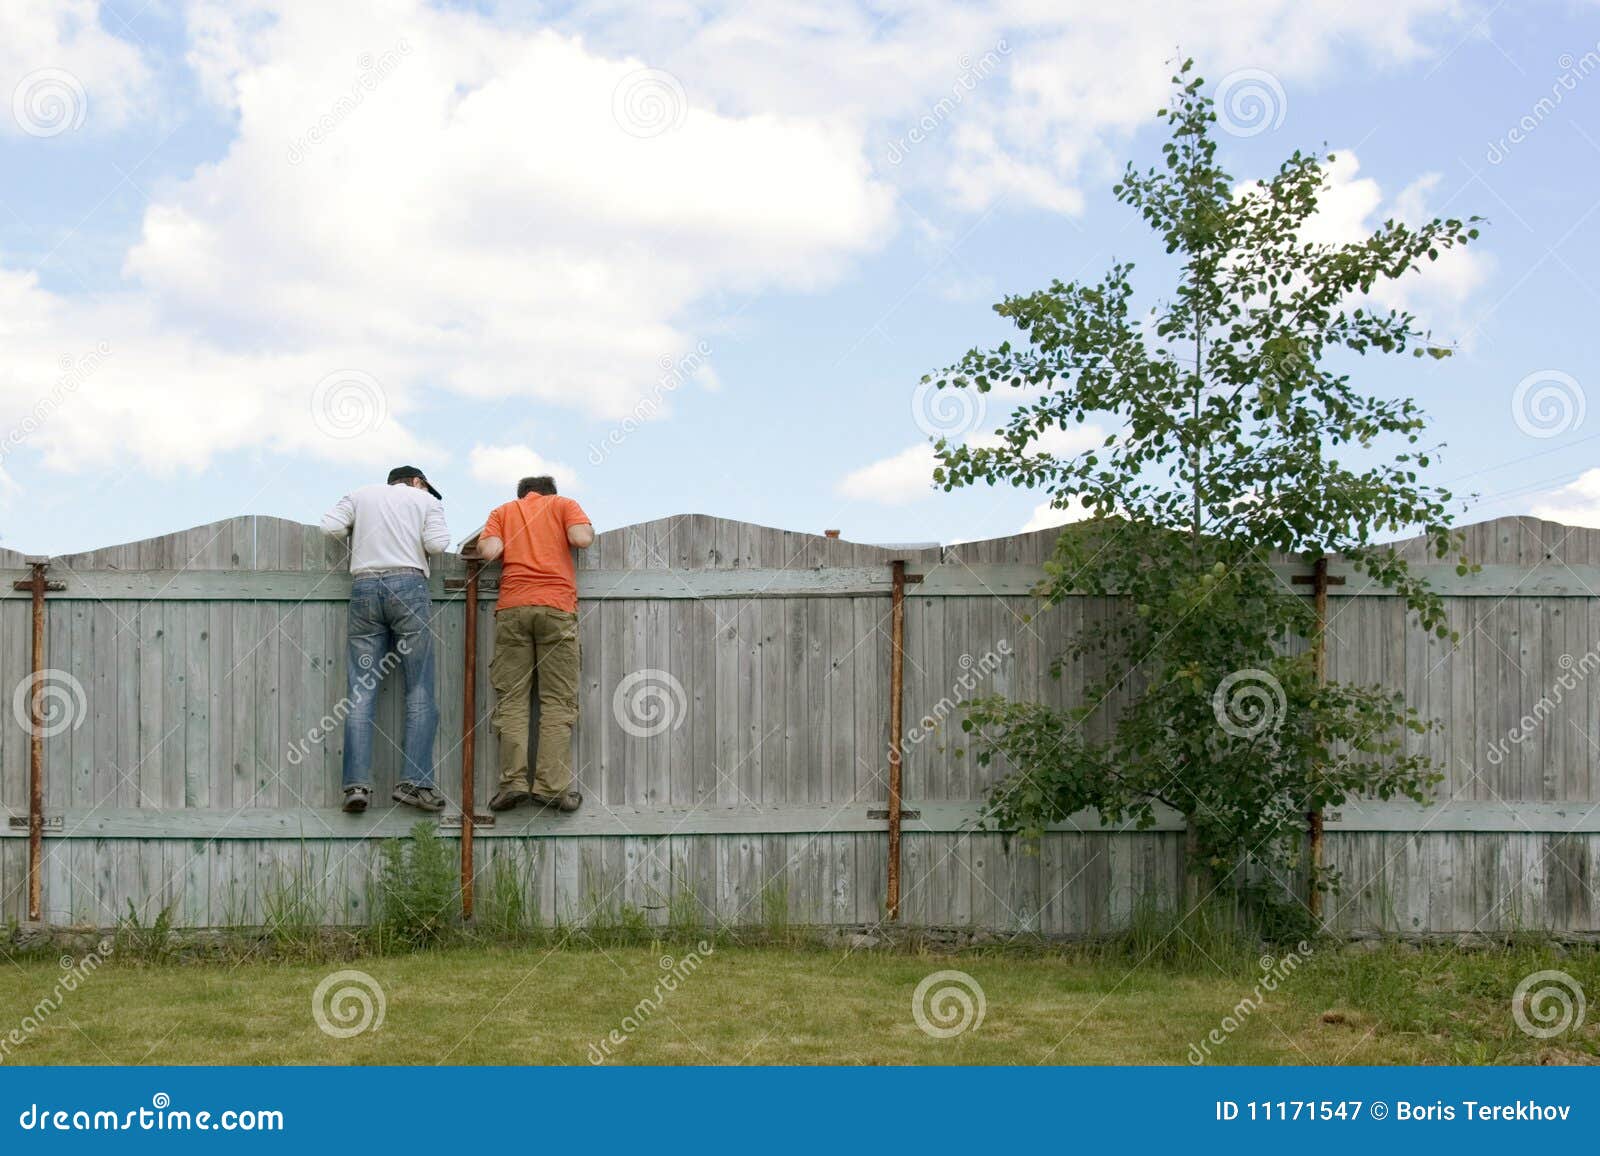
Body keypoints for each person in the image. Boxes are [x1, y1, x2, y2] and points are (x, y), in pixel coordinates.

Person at [321, 465, 451, 813]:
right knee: (420, 687)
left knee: (360, 693)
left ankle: (356, 787)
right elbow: (438, 545)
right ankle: (414, 782)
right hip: (408, 587)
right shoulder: (425, 501)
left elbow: (330, 527)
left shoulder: (359, 494)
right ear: (419, 482)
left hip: (364, 588)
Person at [476, 475, 594, 812]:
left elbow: (490, 551)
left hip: (513, 607)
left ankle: (512, 783)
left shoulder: (503, 511)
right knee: (557, 701)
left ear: (523, 494)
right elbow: (581, 538)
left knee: (512, 699)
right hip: (556, 607)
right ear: (549, 493)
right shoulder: (564, 505)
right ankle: (551, 788)